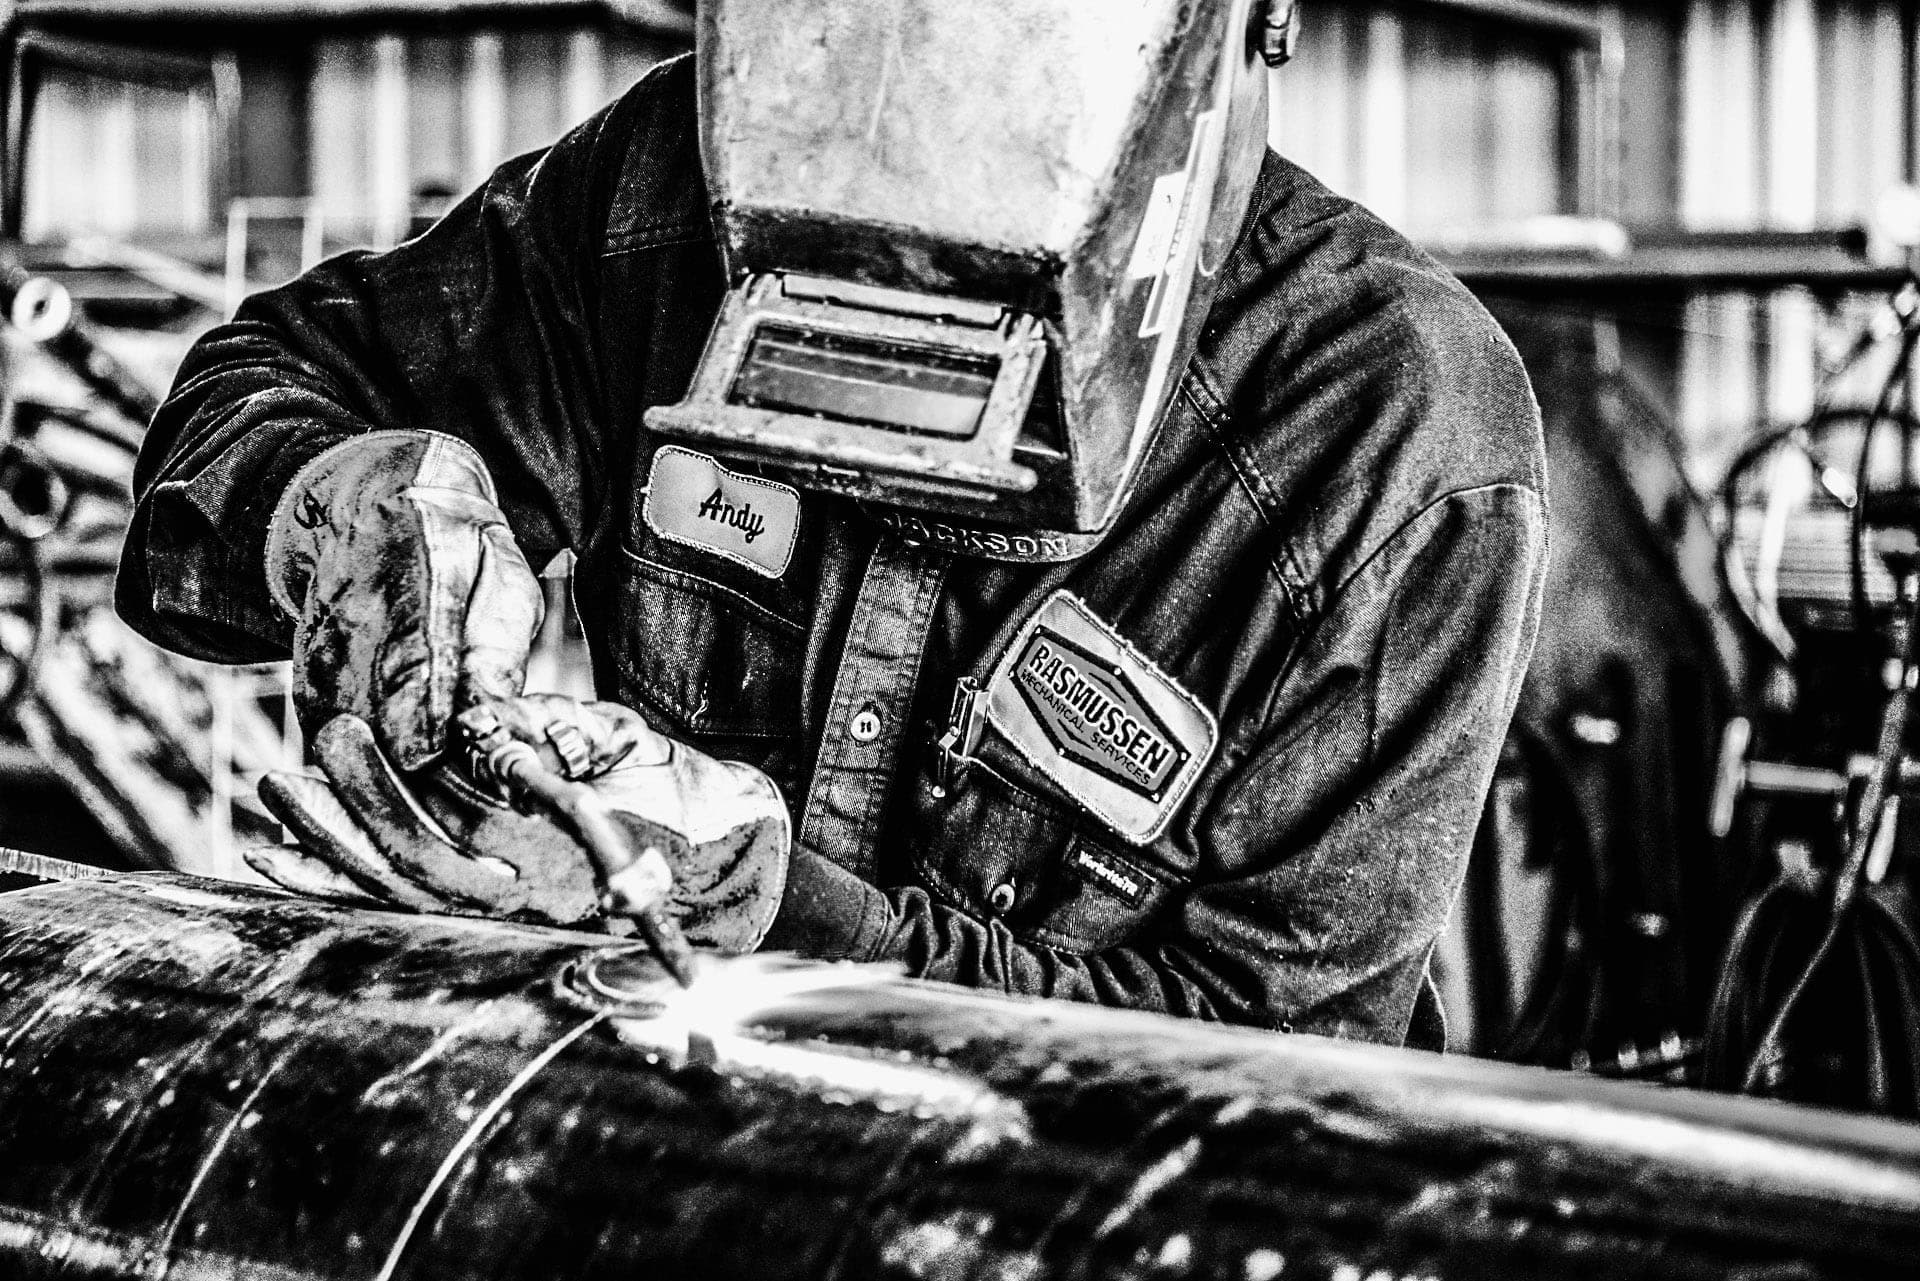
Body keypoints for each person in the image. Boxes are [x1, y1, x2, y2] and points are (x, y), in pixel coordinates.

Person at [117, 16, 1545, 1047]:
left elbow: (1274, 1089)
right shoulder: (665, 196)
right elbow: (252, 393)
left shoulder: (1401, 438)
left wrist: (771, 907)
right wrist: (342, 504)